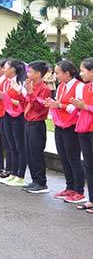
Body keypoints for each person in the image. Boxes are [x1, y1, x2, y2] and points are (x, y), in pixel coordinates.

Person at [45, 60, 85, 204]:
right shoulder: (61, 86)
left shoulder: (79, 86)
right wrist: (53, 104)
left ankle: (79, 190)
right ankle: (70, 186)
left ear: (67, 73)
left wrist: (59, 105)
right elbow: (58, 103)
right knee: (64, 157)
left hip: (72, 125)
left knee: (73, 158)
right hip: (60, 124)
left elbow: (78, 107)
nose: (55, 76)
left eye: (57, 73)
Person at [22, 61, 52, 194]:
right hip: (28, 121)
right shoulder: (32, 85)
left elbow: (41, 106)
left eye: (30, 71)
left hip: (37, 122)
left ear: (38, 74)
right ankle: (35, 179)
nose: (28, 74)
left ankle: (41, 182)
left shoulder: (44, 88)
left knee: (36, 153)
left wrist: (31, 92)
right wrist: (28, 91)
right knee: (29, 152)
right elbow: (27, 102)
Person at [0, 60, 27, 187]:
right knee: (11, 145)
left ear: (13, 69)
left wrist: (8, 99)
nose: (4, 70)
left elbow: (24, 102)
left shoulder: (22, 82)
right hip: (8, 114)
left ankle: (20, 175)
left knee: (19, 146)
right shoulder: (7, 82)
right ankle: (13, 173)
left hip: (18, 116)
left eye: (6, 67)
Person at [71, 58, 93, 212]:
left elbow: (87, 107)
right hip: (84, 129)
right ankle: (91, 199)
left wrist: (84, 106)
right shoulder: (85, 88)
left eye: (83, 70)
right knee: (89, 165)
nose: (81, 73)